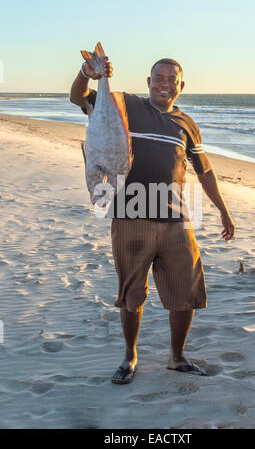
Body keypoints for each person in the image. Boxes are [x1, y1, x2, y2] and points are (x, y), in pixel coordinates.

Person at [70, 54, 235, 384]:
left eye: (172, 79)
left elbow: (205, 172)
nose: (165, 83)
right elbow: (79, 97)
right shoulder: (126, 106)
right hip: (131, 216)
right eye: (159, 77)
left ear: (181, 86)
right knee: (132, 294)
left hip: (176, 220)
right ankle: (130, 356)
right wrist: (88, 73)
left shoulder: (187, 124)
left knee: (185, 292)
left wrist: (223, 210)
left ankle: (177, 357)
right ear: (148, 83)